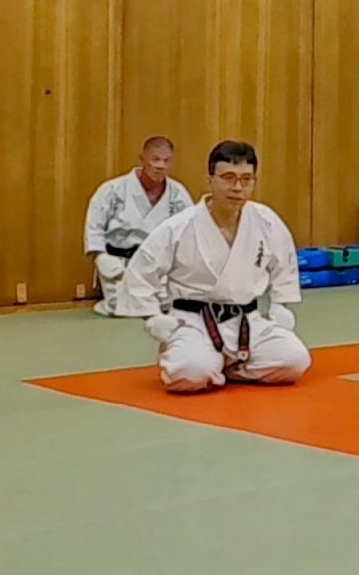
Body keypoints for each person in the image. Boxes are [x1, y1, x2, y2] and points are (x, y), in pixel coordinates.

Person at [123, 141, 309, 393]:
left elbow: (284, 265)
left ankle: (229, 367)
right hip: (194, 321)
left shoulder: (265, 220)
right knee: (190, 374)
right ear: (210, 179)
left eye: (246, 179)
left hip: (247, 321)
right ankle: (202, 360)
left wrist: (280, 304)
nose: (237, 188)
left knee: (294, 361)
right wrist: (153, 317)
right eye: (228, 178)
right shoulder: (180, 226)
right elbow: (140, 272)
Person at [83, 136, 195, 317]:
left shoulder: (177, 193)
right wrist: (100, 256)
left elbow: (189, 232)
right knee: (121, 306)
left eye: (166, 161)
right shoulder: (112, 190)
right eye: (155, 159)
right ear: (142, 159)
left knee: (165, 304)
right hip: (119, 263)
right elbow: (94, 227)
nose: (160, 166)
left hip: (158, 264)